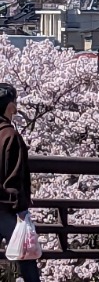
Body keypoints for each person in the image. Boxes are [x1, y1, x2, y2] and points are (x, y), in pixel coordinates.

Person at [0, 84, 40, 282]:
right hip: (6, 209)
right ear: (10, 107)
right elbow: (14, 179)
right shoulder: (10, 136)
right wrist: (22, 209)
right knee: (26, 256)